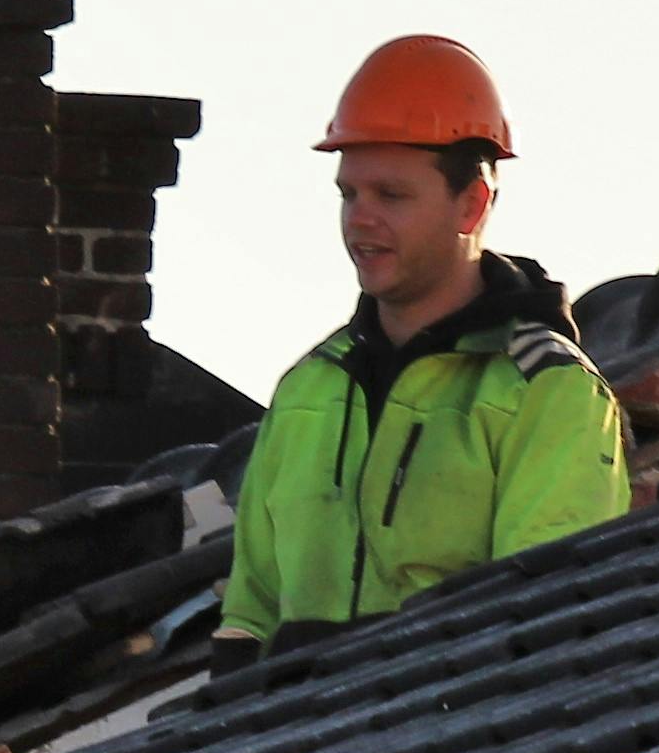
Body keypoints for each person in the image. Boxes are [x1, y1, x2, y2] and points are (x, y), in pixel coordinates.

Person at [214, 35, 631, 665]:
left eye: (391, 195)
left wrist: (344, 664)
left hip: (453, 752)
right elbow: (249, 618)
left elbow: (541, 624)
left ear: (473, 203)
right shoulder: (307, 389)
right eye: (348, 194)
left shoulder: (548, 392)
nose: (360, 219)